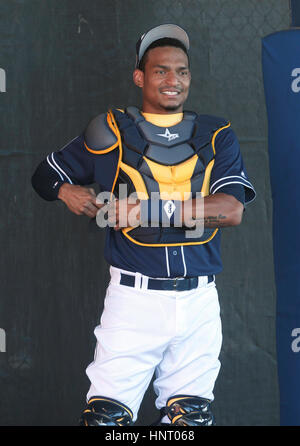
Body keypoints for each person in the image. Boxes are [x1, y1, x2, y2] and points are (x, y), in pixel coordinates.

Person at [31, 24, 256, 426]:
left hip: (199, 301)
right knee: (106, 420)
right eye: (161, 71)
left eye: (182, 71)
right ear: (140, 76)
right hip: (135, 298)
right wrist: (67, 192)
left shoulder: (217, 134)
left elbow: (231, 209)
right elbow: (44, 175)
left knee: (190, 420)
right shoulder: (110, 131)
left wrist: (144, 211)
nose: (174, 80)